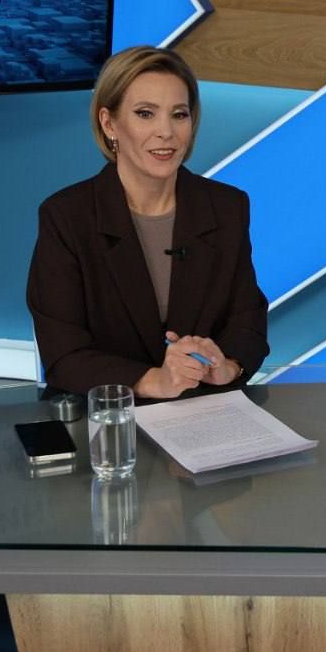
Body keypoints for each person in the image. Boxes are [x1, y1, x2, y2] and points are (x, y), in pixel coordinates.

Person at [27, 46, 268, 398]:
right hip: (105, 415)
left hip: (203, 410)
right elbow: (63, 355)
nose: (166, 132)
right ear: (109, 123)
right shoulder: (67, 217)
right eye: (145, 114)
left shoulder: (227, 206)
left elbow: (248, 320)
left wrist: (226, 365)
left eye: (179, 115)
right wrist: (155, 380)